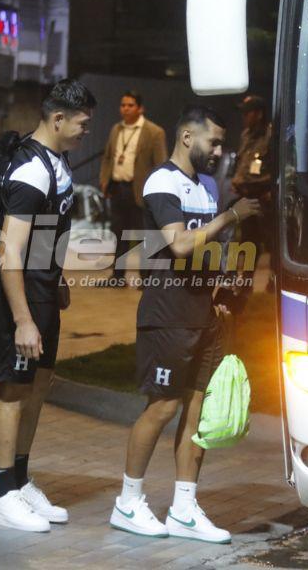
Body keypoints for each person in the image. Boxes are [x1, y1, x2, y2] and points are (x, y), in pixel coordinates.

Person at [109, 105, 261, 543]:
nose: (219, 151)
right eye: (214, 142)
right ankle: (128, 502)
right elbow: (179, 244)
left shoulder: (207, 185)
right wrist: (231, 216)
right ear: (187, 137)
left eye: (222, 144)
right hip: (167, 315)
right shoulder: (162, 181)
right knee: (162, 407)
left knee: (197, 410)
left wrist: (220, 289)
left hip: (201, 314)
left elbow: (209, 247)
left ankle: (184, 509)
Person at [0, 79, 95, 532]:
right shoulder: (31, 170)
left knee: (37, 385)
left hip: (44, 291)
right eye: (82, 123)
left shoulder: (58, 162)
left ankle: (20, 479)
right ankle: (1, 494)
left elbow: (46, 236)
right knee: (13, 390)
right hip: (20, 297)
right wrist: (23, 320)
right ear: (58, 119)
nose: (86, 130)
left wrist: (57, 278)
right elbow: (9, 251)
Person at [98, 91, 168, 285]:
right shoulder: (116, 129)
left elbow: (160, 165)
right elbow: (107, 157)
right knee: (119, 233)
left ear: (140, 108)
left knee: (143, 235)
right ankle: (118, 276)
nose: (125, 109)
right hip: (117, 188)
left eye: (130, 105)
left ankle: (146, 278)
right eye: (123, 105)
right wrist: (104, 180)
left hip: (140, 191)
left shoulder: (154, 132)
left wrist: (156, 193)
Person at [230, 95, 274, 256]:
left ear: (259, 114)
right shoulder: (246, 135)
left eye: (247, 113)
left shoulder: (271, 135)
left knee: (270, 241)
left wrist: (273, 191)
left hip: (264, 196)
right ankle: (247, 273)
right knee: (248, 241)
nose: (244, 117)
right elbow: (243, 163)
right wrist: (236, 181)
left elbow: (284, 166)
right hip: (246, 196)